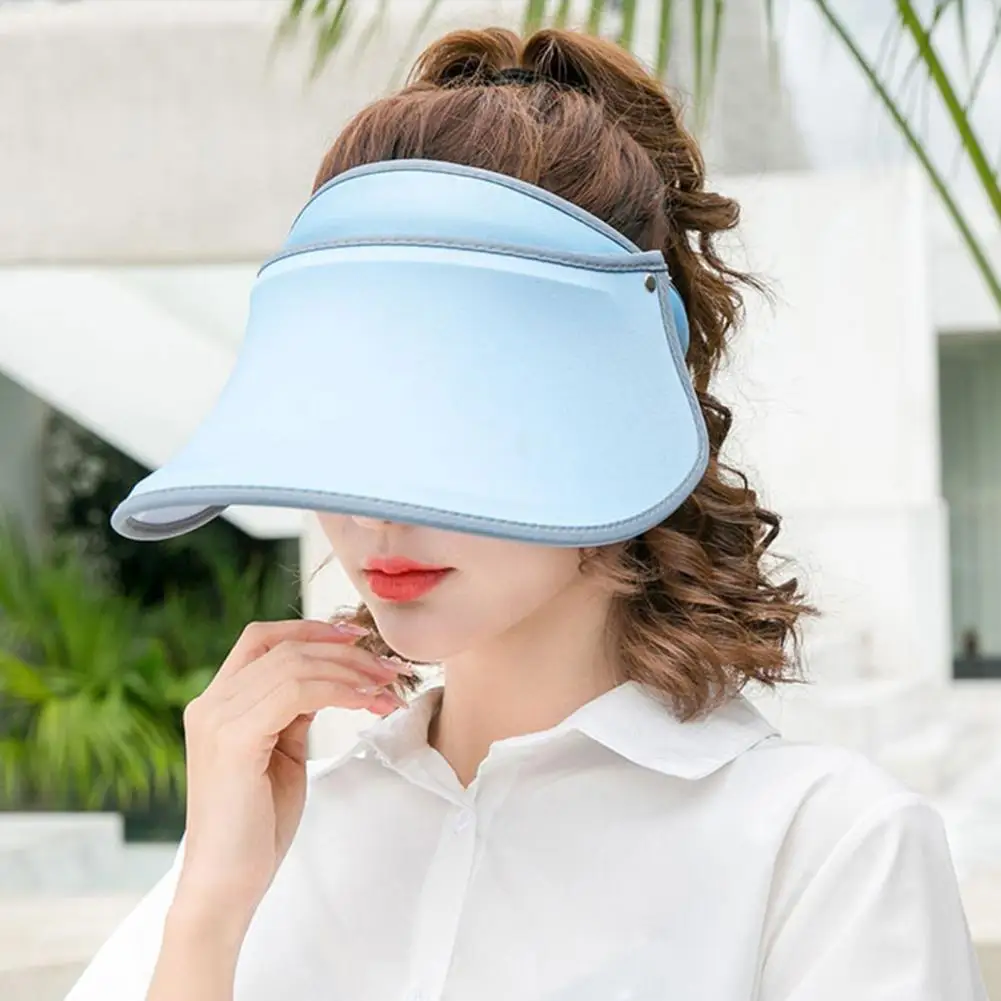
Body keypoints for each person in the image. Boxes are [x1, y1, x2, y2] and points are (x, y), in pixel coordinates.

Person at [67, 26, 987, 1001]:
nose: (375, 511)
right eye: (336, 421)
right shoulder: (258, 844)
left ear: (619, 406)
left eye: (455, 412)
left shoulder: (825, 853)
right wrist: (209, 913)